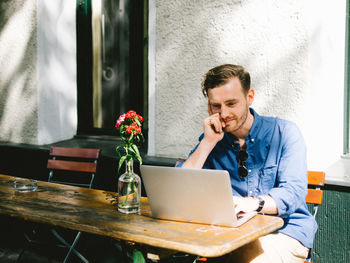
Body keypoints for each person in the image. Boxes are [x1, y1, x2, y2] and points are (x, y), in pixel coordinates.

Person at [177, 64, 317, 263]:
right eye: (216, 106)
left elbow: (293, 192)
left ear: (249, 97)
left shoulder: (284, 132)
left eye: (231, 103)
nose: (223, 113)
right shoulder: (212, 140)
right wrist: (207, 143)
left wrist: (252, 203)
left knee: (251, 256)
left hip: (284, 232)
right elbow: (181, 188)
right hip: (229, 236)